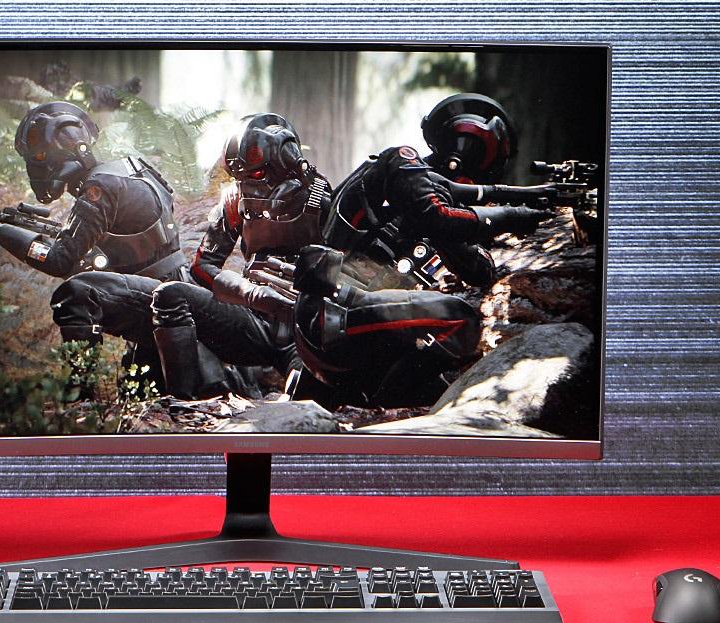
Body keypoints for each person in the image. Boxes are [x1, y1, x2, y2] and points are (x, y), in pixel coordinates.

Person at [0, 101, 192, 379]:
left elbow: (59, 261)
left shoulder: (99, 188)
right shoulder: (134, 167)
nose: (38, 167)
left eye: (40, 157)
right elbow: (133, 242)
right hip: (177, 292)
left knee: (75, 296)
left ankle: (81, 389)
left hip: (157, 302)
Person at [147, 113, 333, 398]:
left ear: (287, 162)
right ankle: (182, 403)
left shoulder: (323, 200)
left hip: (306, 330)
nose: (248, 185)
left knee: (307, 393)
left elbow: (352, 274)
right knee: (170, 295)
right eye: (240, 177)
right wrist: (249, 293)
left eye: (255, 175)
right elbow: (204, 266)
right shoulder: (236, 199)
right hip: (253, 320)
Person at [324, 93, 553, 290]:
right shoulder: (400, 160)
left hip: (353, 300)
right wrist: (509, 217)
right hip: (329, 286)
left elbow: (481, 272)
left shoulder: (436, 215)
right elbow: (435, 216)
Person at [290, 245, 481, 407]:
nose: (366, 268)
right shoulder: (342, 315)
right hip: (375, 379)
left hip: (355, 373)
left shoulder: (308, 307)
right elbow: (457, 317)